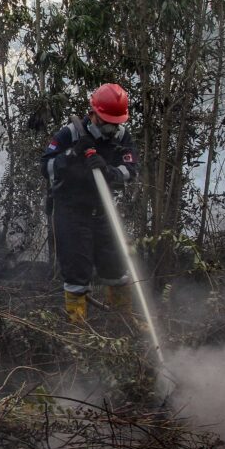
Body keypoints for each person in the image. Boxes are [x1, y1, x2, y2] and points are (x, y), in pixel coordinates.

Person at [40, 83, 139, 325]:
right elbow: (46, 167)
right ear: (94, 113)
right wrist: (72, 154)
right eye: (107, 121)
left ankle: (123, 323)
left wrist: (109, 171)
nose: (111, 128)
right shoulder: (70, 134)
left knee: (117, 266)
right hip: (71, 212)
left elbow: (131, 170)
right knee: (76, 271)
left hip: (103, 210)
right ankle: (78, 327)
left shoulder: (122, 136)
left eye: (115, 122)